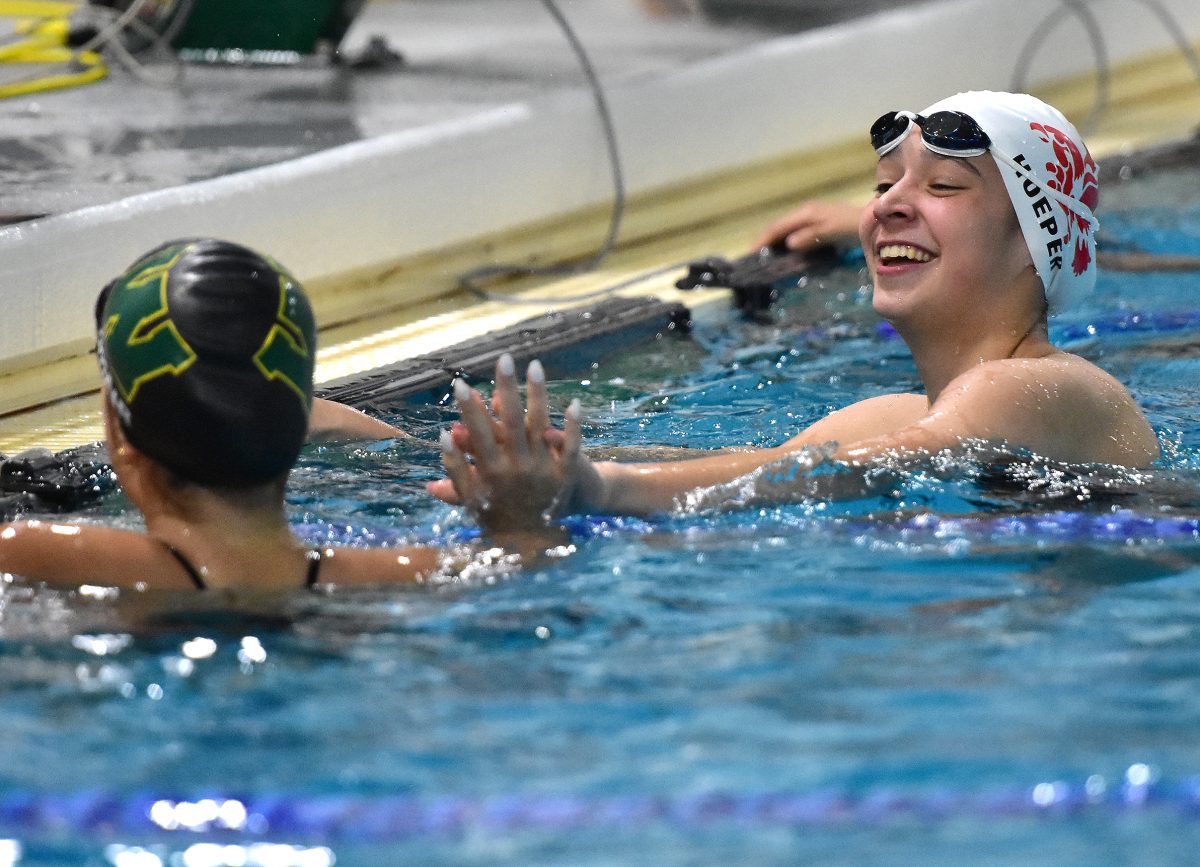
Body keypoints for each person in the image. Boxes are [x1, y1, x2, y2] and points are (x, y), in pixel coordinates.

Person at [431, 91, 1161, 518]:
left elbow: (829, 474)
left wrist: (596, 487)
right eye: (883, 188)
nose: (887, 209)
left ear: (1038, 246)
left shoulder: (1037, 386)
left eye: (942, 187)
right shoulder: (901, 414)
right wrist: (519, 457)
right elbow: (751, 468)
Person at [0, 239, 564, 593]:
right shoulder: (406, 573)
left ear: (119, 438)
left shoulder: (32, 555)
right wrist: (517, 523)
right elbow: (527, 558)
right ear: (297, 432)